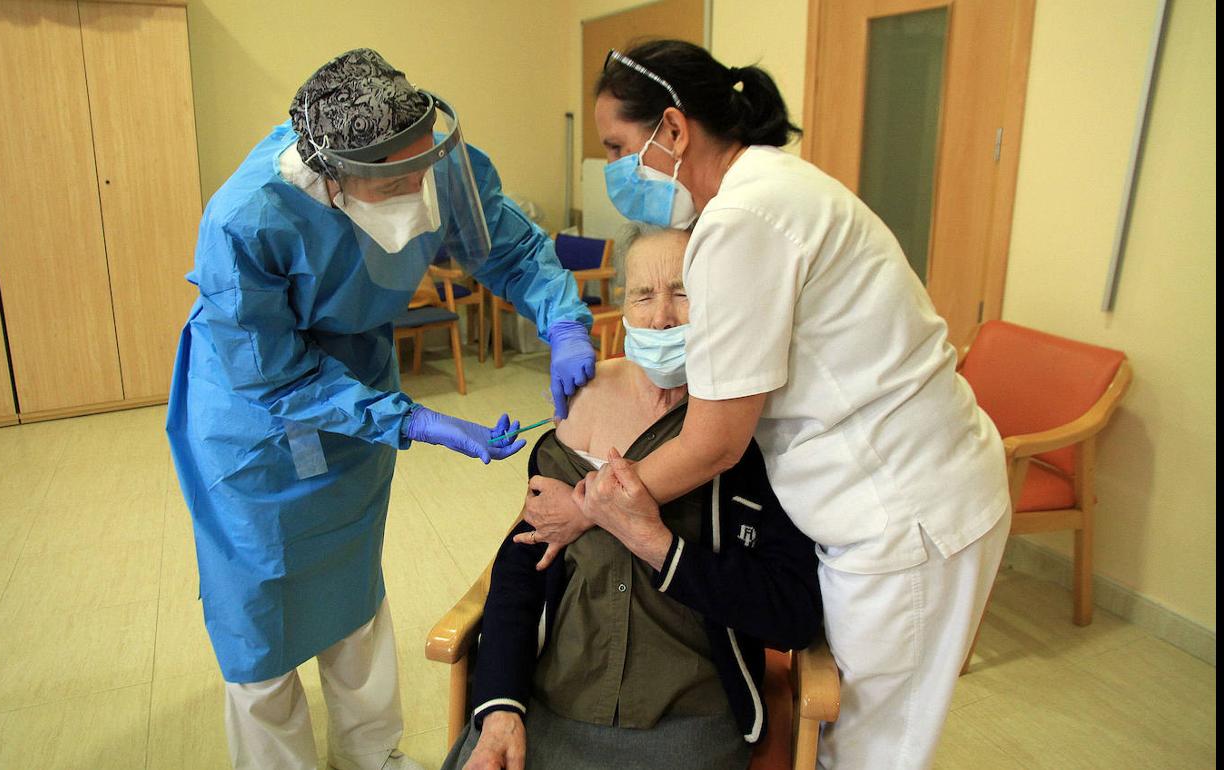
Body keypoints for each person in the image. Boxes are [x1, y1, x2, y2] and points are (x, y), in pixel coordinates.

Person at [522, 40, 1012, 769]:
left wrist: (593, 506)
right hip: (889, 486)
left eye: (620, 148)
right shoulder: (776, 188)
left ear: (675, 129)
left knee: (873, 748)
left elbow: (716, 440)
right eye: (641, 297)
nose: (618, 172)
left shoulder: (743, 219)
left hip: (900, 505)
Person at [164, 49, 596, 770]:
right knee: (259, 609)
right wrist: (413, 420)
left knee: (351, 585)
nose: (420, 190)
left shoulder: (438, 160)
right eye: (397, 183)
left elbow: (507, 248)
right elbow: (272, 374)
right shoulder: (248, 219)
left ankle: (375, 753)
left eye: (423, 170)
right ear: (335, 180)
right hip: (256, 416)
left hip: (357, 372)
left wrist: (565, 323)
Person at [442, 229, 822, 770]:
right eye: (643, 295)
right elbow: (520, 567)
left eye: (683, 293)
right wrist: (500, 707)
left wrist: (658, 545)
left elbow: (791, 614)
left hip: (684, 716)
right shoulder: (580, 409)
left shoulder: (751, 438)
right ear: (621, 307)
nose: (663, 317)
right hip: (552, 699)